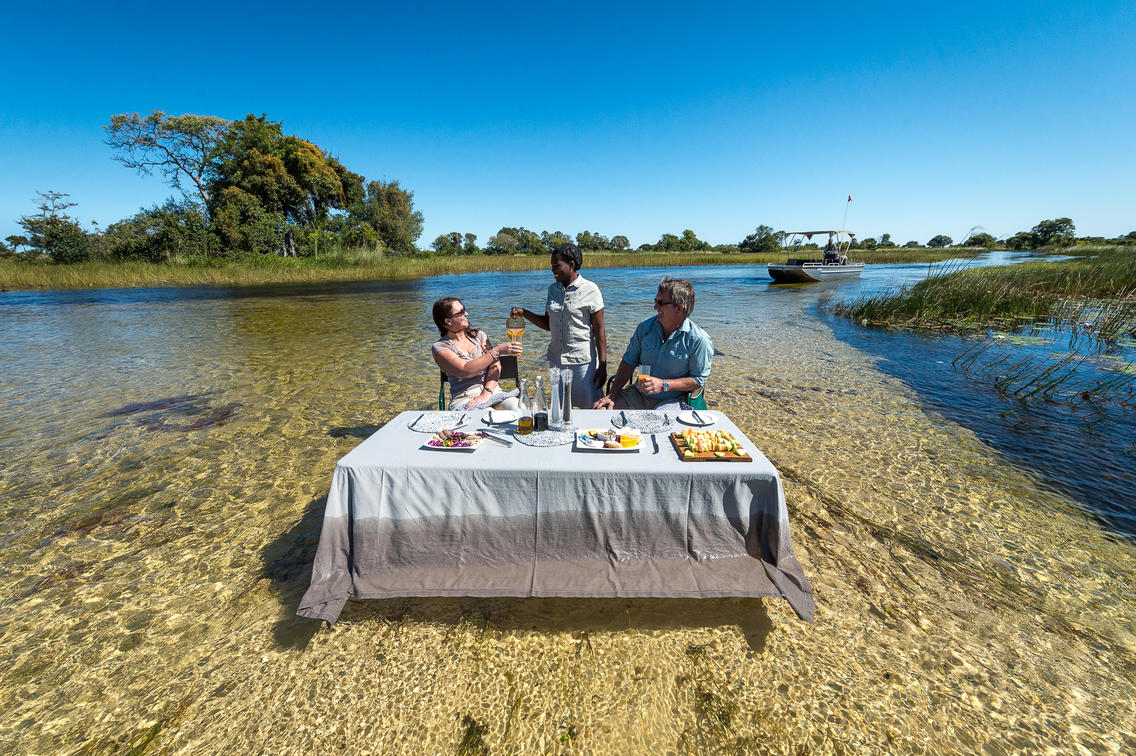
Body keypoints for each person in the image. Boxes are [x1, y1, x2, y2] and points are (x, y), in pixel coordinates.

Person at [510, 242, 608, 407]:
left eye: (557, 266)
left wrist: (603, 365)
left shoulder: (591, 289)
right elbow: (548, 324)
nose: (552, 270)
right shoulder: (552, 290)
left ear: (571, 265)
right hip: (556, 361)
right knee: (561, 408)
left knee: (590, 407)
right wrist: (524, 313)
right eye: (552, 266)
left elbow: (599, 330)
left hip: (582, 362)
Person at [593, 277, 712, 411]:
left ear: (679, 308)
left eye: (660, 303)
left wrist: (663, 385)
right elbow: (628, 362)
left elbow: (698, 380)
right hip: (639, 395)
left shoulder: (699, 340)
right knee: (602, 410)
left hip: (675, 399)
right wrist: (612, 395)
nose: (655, 307)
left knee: (658, 417)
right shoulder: (645, 328)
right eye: (655, 301)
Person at [431, 297, 522, 410]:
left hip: (492, 391)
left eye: (464, 309)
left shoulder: (479, 336)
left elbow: (495, 365)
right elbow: (465, 370)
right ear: (448, 321)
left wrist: (486, 393)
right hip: (465, 398)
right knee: (487, 414)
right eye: (461, 312)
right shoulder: (440, 347)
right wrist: (497, 351)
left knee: (518, 406)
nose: (466, 314)